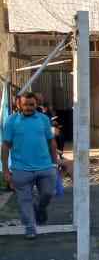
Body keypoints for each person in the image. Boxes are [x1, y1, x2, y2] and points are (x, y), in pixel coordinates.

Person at [3, 92, 69, 239]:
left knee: (48, 193)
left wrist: (54, 163)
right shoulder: (11, 121)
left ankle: (40, 208)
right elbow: (5, 145)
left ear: (36, 104)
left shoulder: (43, 119)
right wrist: (6, 170)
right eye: (25, 104)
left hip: (45, 167)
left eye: (31, 104)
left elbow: (51, 142)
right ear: (19, 105)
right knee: (25, 200)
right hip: (21, 169)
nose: (28, 107)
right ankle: (30, 227)